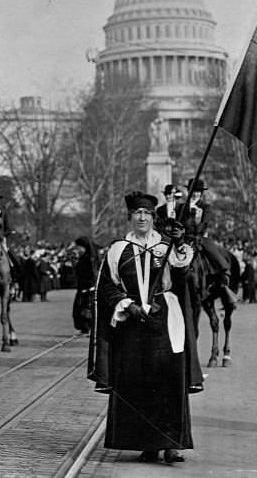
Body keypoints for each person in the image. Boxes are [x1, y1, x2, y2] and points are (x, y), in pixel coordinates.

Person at [90, 191, 196, 464]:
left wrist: (180, 240)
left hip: (164, 320)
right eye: (137, 213)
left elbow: (183, 272)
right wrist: (128, 304)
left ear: (153, 218)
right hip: (132, 322)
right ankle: (147, 443)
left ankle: (172, 443)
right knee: (139, 384)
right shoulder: (118, 250)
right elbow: (107, 287)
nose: (142, 218)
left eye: (147, 214)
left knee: (169, 381)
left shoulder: (166, 247)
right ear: (129, 217)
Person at [178, 178, 237, 310]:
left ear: (201, 194)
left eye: (198, 192)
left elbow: (204, 225)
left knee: (213, 252)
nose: (195, 194)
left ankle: (223, 278)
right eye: (193, 191)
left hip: (199, 237)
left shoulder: (205, 207)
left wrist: (198, 220)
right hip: (183, 239)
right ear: (188, 191)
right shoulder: (181, 207)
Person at [71, 236, 98, 333]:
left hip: (88, 289)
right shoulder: (82, 258)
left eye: (78, 247)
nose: (77, 249)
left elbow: (93, 274)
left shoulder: (90, 259)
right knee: (79, 311)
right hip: (82, 287)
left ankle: (87, 328)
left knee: (85, 310)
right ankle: (84, 328)